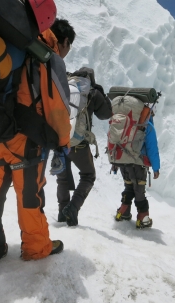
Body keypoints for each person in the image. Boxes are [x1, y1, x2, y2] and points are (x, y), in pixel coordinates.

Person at [0, 2, 71, 270]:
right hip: (25, 140)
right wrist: (63, 143)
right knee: (29, 195)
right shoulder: (43, 52)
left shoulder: (0, 37)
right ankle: (36, 247)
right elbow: (57, 106)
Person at [56, 67, 113, 226]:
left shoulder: (66, 85)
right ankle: (72, 208)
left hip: (60, 140)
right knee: (88, 175)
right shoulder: (92, 92)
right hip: (78, 144)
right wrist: (102, 93)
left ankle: (62, 212)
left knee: (63, 177)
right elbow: (107, 114)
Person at [114, 108, 161, 229]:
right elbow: (152, 149)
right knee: (139, 190)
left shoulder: (126, 122)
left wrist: (114, 162)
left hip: (123, 162)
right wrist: (156, 168)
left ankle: (123, 211)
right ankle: (143, 217)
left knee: (128, 186)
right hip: (138, 164)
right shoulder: (147, 126)